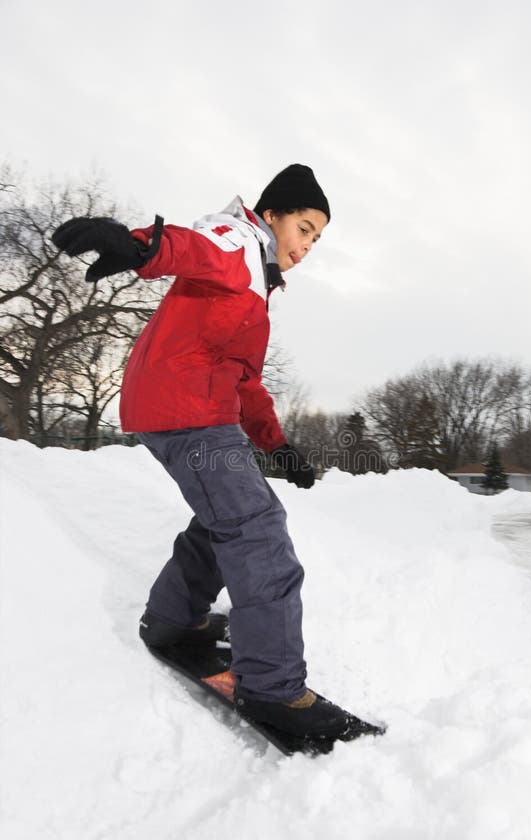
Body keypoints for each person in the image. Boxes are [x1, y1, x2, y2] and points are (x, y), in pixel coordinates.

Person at [52, 164, 349, 738]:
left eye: (317, 238)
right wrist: (138, 245)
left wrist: (277, 446)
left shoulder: (255, 284)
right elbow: (193, 249)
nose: (308, 246)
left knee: (228, 518)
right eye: (304, 228)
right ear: (271, 217)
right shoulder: (238, 243)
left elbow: (244, 380)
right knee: (258, 531)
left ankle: (173, 621)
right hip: (184, 410)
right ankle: (272, 689)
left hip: (187, 406)